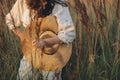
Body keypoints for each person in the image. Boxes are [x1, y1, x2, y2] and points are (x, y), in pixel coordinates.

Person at [5, 0, 76, 80]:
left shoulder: (58, 4)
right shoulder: (22, 1)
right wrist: (24, 38)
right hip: (31, 50)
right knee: (24, 77)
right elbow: (10, 20)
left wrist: (45, 42)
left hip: (53, 52)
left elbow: (69, 32)